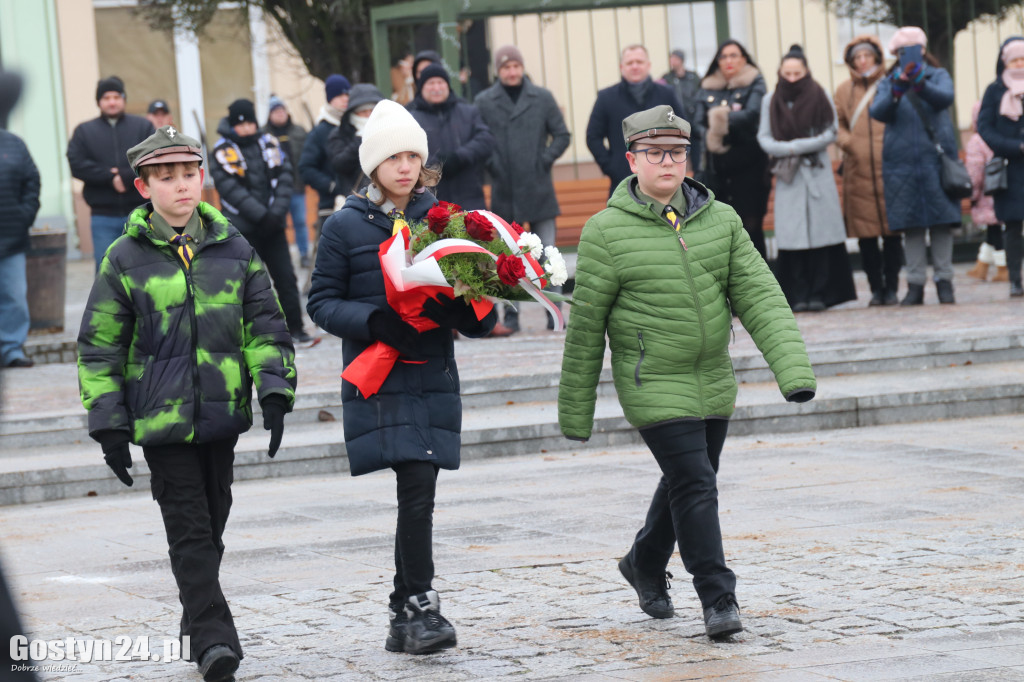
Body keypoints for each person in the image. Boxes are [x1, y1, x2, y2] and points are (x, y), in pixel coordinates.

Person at [558, 104, 815, 640]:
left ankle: (644, 562)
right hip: (651, 380)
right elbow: (585, 330)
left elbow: (762, 297)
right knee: (696, 482)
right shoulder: (605, 232)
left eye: (676, 152)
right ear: (632, 159)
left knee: (689, 481)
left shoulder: (720, 220)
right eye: (654, 153)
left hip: (712, 378)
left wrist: (792, 371)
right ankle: (718, 596)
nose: (667, 162)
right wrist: (575, 411)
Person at [77, 125, 297, 682]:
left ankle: (195, 621)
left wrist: (273, 387)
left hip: (222, 414)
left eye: (189, 174)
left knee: (214, 520)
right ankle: (216, 641)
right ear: (143, 186)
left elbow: (266, 325)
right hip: (161, 419)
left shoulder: (234, 248)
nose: (181, 186)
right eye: (166, 177)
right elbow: (99, 345)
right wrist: (108, 423)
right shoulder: (123, 258)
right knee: (190, 528)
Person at [307, 99, 497, 655]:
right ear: (373, 164)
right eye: (395, 156)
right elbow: (320, 302)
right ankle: (420, 604)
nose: (406, 166)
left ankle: (403, 612)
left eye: (414, 154)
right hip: (382, 375)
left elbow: (473, 297)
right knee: (416, 489)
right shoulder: (343, 226)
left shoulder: (444, 220)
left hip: (432, 371)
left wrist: (463, 311)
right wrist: (376, 321)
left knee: (420, 491)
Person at [476, 44, 571, 333]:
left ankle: (554, 312)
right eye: (505, 67)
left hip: (539, 188)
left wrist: (542, 161)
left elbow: (562, 135)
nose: (512, 71)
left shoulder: (541, 97)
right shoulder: (484, 101)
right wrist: (494, 167)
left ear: (522, 67)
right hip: (505, 190)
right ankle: (511, 315)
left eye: (516, 66)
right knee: (506, 258)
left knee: (548, 256)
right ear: (498, 70)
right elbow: (480, 138)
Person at [757, 45, 856, 311]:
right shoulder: (771, 100)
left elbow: (831, 132)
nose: (791, 78)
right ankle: (798, 294)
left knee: (822, 235)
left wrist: (797, 145)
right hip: (789, 177)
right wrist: (791, 149)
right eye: (787, 73)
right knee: (793, 237)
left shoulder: (819, 94)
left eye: (796, 72)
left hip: (817, 173)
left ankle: (822, 294)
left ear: (806, 71)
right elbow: (764, 138)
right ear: (780, 72)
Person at [211, 99, 316, 346]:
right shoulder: (222, 151)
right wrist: (261, 214)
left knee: (286, 279)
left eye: (250, 122)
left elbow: (285, 176)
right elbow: (229, 189)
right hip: (243, 230)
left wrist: (276, 213)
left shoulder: (269, 143)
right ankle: (249, 335)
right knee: (246, 285)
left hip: (273, 225)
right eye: (241, 124)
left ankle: (296, 329)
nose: (247, 128)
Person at [870, 26, 960, 305]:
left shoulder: (938, 75)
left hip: (936, 160)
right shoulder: (888, 81)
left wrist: (921, 83)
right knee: (912, 226)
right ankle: (915, 285)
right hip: (902, 164)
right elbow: (878, 111)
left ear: (923, 50)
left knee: (942, 224)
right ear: (896, 54)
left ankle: (945, 282)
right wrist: (897, 91)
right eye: (902, 51)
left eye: (914, 49)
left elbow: (945, 98)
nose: (908, 55)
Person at [835, 35, 902, 306]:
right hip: (858, 169)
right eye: (857, 57)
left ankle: (893, 287)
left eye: (868, 56)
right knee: (866, 236)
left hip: (890, 168)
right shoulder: (842, 91)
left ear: (877, 57)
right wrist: (849, 143)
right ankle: (876, 288)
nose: (863, 61)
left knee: (893, 233)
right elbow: (836, 123)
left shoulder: (892, 84)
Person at [66, 76, 154, 270]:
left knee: (146, 268)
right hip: (102, 216)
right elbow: (76, 164)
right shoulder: (84, 131)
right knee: (106, 269)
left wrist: (123, 175)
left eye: (116, 96)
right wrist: (109, 176)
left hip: (141, 213)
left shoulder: (143, 127)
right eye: (106, 97)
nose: (112, 102)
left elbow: (152, 158)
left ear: (123, 99)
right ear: (99, 101)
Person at [694, 40, 771, 259]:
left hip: (750, 168)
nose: (728, 61)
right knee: (720, 231)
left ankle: (759, 282)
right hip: (717, 171)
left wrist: (720, 123)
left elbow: (753, 115)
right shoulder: (707, 86)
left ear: (744, 59)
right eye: (723, 56)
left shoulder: (754, 81)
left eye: (734, 55)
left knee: (751, 229)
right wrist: (711, 133)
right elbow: (697, 123)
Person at [586, 45, 682, 195]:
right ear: (621, 67)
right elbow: (593, 137)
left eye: (639, 61)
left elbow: (681, 132)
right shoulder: (606, 98)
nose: (635, 66)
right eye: (630, 63)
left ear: (648, 65)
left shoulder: (667, 94)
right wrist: (611, 167)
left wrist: (675, 161)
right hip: (622, 182)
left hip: (664, 179)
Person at [408, 63, 495, 210]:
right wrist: (437, 165)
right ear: (421, 87)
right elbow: (408, 152)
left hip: (469, 198)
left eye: (440, 82)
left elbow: (486, 140)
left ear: (448, 86)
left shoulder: (468, 112)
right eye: (431, 83)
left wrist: (459, 157)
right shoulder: (411, 118)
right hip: (431, 203)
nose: (436, 88)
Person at [977, 36, 1024, 297]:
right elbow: (984, 126)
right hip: (1010, 167)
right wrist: (1012, 146)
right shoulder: (995, 90)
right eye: (1015, 59)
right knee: (1013, 226)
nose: (1020, 63)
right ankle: (1015, 278)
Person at [0, 123, 40, 369]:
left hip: (11, 239)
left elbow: (32, 181)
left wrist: (23, 216)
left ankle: (11, 349)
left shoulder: (14, 143)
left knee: (13, 297)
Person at [263, 94, 311, 267]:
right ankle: (281, 259)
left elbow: (309, 156)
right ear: (269, 115)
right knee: (278, 225)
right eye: (276, 111)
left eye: (282, 110)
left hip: (297, 187)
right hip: (274, 191)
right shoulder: (264, 135)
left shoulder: (299, 131)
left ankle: (304, 254)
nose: (280, 113)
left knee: (300, 222)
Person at [299, 74, 350, 227]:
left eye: (347, 94)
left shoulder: (356, 125)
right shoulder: (320, 131)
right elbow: (305, 168)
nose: (345, 99)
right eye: (339, 95)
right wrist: (331, 186)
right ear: (329, 98)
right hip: (330, 207)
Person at [966, 99, 1008, 284]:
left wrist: (972, 194)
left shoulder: (977, 140)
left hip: (986, 192)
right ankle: (981, 265)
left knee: (995, 230)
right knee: (993, 229)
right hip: (1004, 189)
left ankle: (1003, 268)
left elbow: (974, 171)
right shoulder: (1004, 135)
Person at [327, 83, 384, 199]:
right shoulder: (340, 133)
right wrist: (361, 140)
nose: (368, 115)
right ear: (353, 112)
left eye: (372, 110)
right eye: (363, 111)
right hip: (355, 197)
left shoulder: (388, 129)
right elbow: (339, 163)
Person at [660, 49, 702, 173]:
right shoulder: (667, 78)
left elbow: (700, 96)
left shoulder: (693, 77)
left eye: (675, 58)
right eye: (671, 58)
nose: (672, 61)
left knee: (697, 159)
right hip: (676, 124)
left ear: (681, 60)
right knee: (677, 156)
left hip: (694, 123)